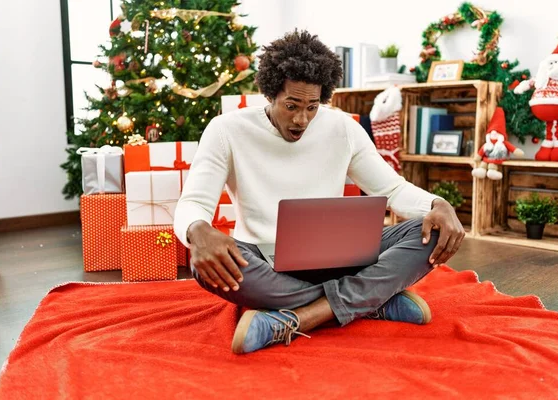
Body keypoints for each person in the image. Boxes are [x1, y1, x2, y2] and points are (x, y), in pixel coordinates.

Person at [173, 30, 465, 355]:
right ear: (270, 93)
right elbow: (194, 203)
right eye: (291, 105)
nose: (302, 119)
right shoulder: (226, 130)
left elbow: (392, 188)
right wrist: (197, 230)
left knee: (428, 230)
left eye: (312, 107)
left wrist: (438, 203)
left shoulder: (342, 128)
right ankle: (371, 302)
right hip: (263, 260)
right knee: (203, 263)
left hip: (336, 256)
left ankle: (303, 316)